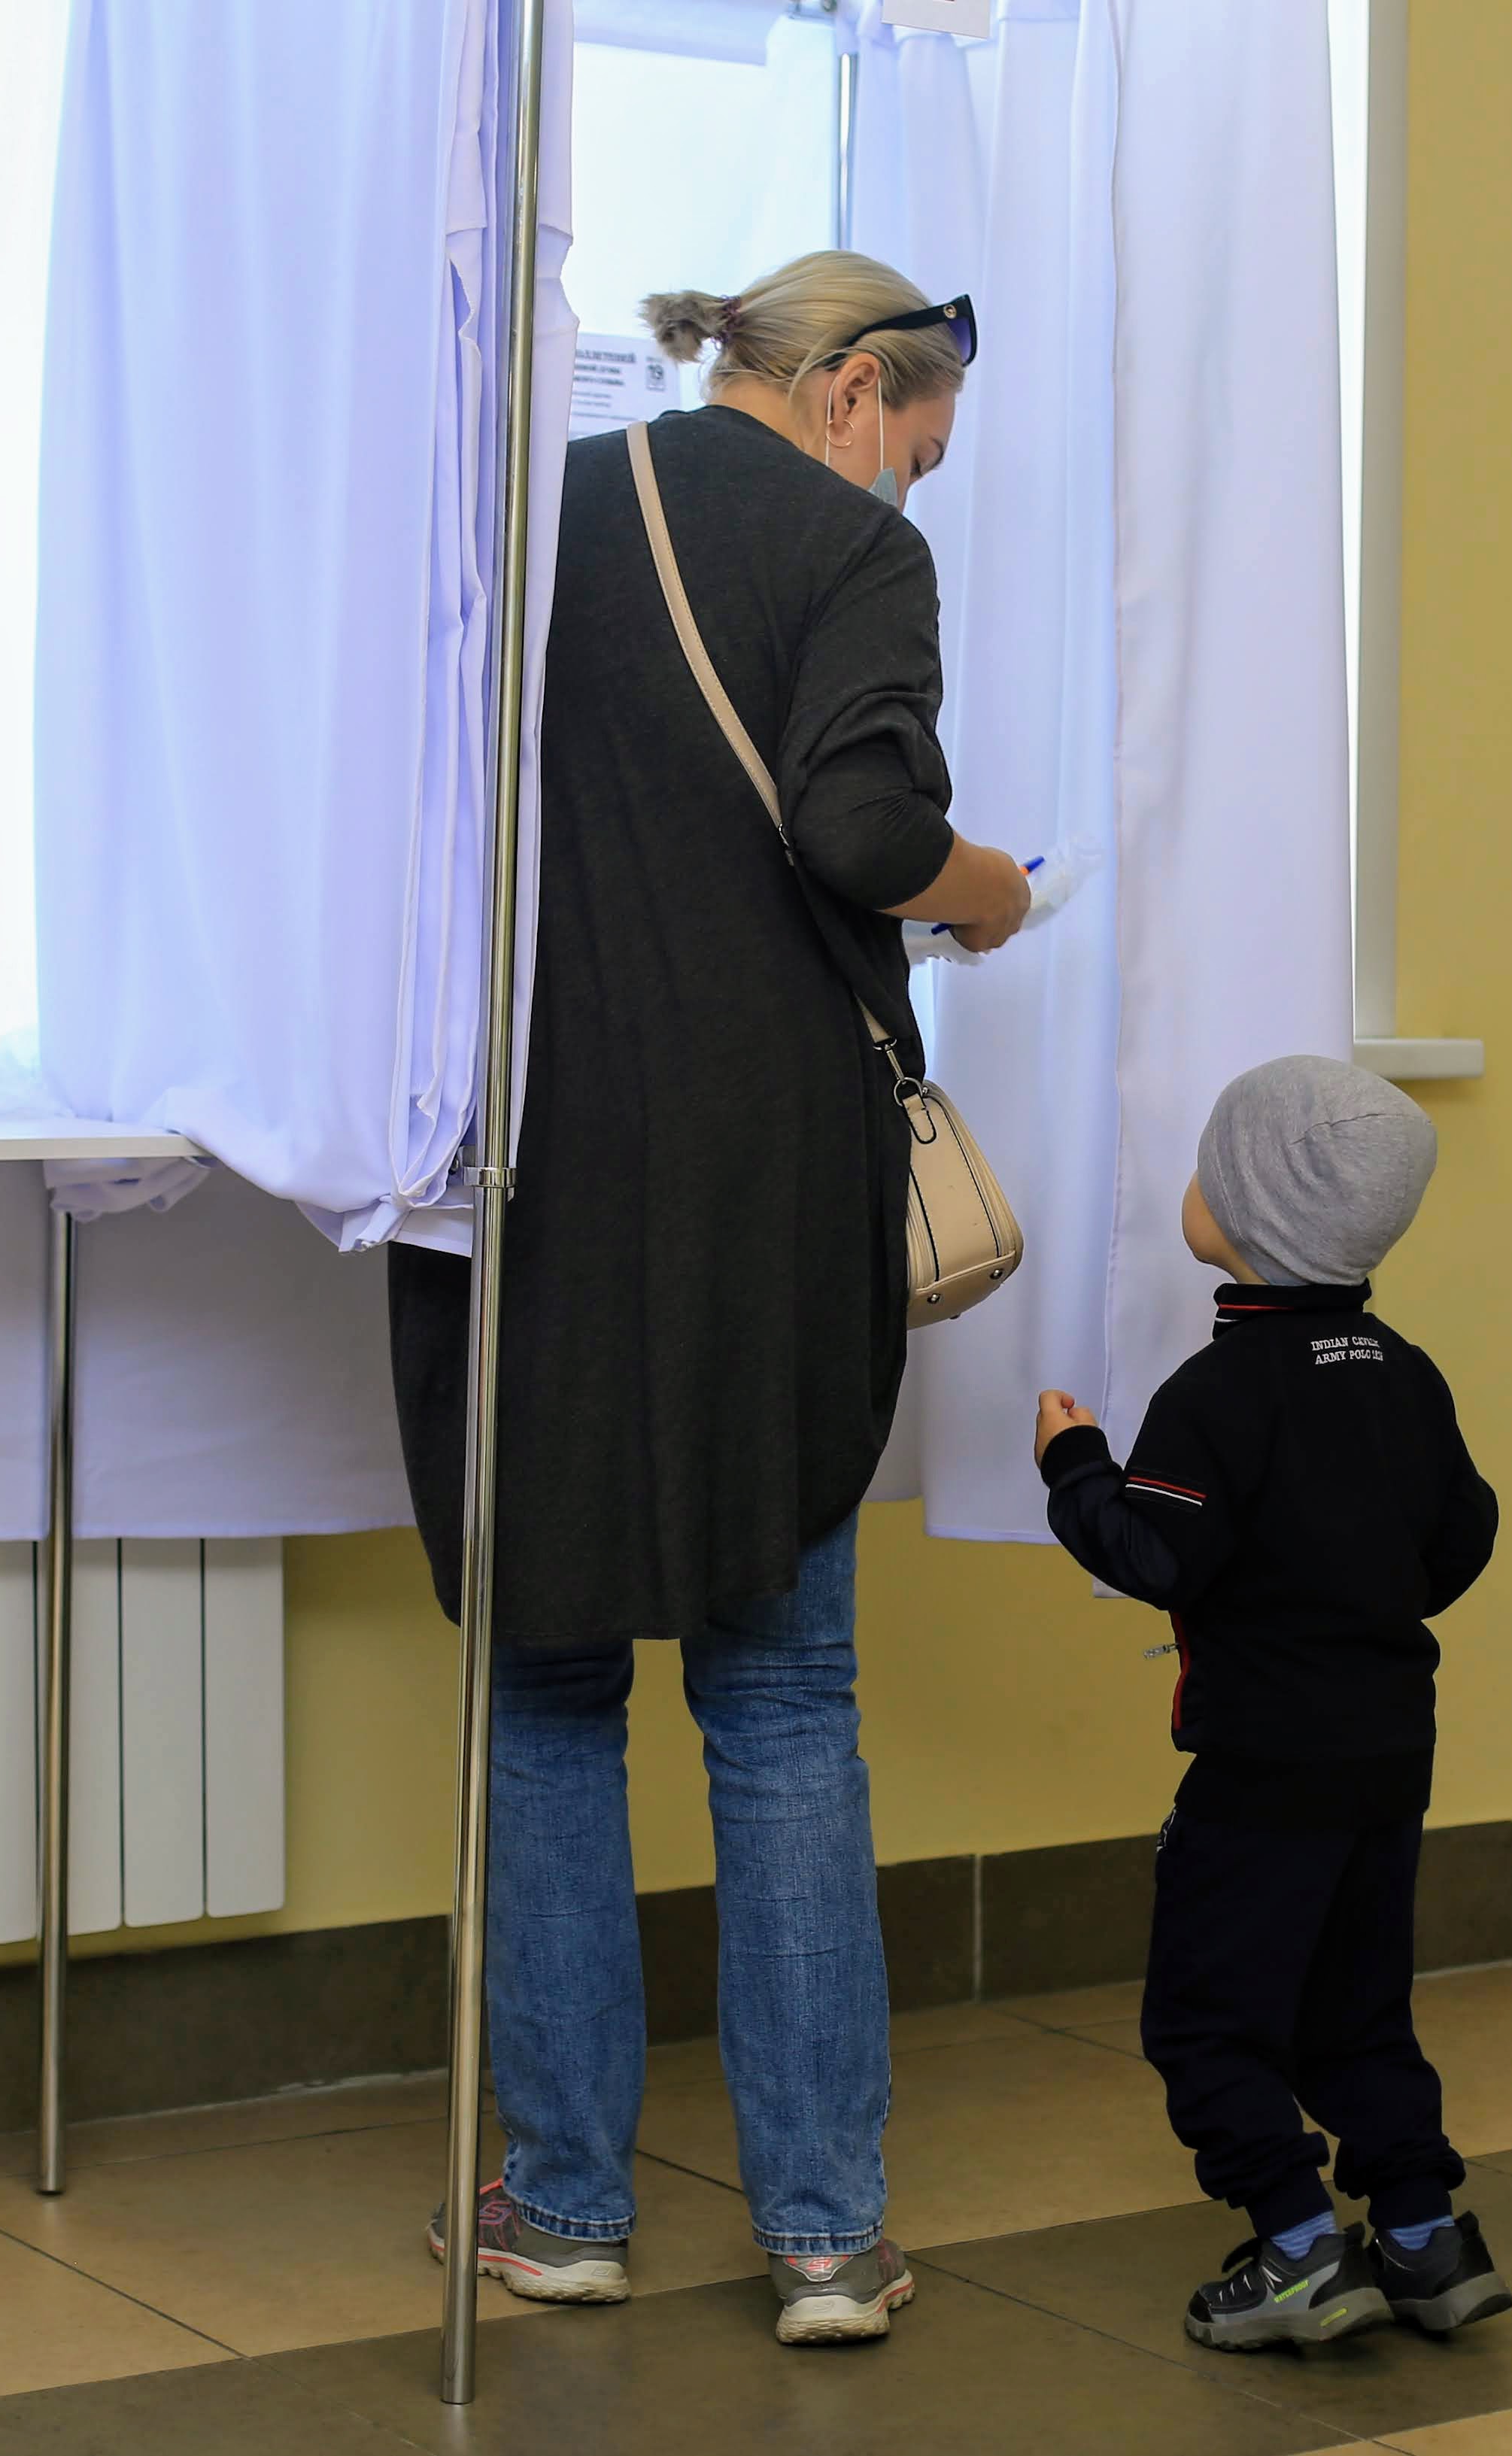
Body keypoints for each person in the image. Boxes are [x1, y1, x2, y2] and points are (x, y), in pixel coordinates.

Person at [392, 251, 1034, 2347]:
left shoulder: (533, 508)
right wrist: (990, 889)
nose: (913, 490)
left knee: (547, 1690)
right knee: (780, 1703)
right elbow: (860, 828)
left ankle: (569, 2207)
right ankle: (827, 2235)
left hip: (526, 1171)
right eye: (920, 447)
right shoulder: (852, 552)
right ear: (852, 393)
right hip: (762, 1194)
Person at [1030, 1055, 1510, 2353]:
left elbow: (1154, 1554)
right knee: (1360, 2006)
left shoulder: (1218, 1391)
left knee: (1207, 2014)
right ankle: (1422, 2234)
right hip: (1387, 1754)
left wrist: (1074, 1464)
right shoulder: (1403, 1369)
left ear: (1247, 1214)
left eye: (1208, 1168)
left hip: (1260, 1766)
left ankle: (1297, 2245)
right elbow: (1462, 1534)